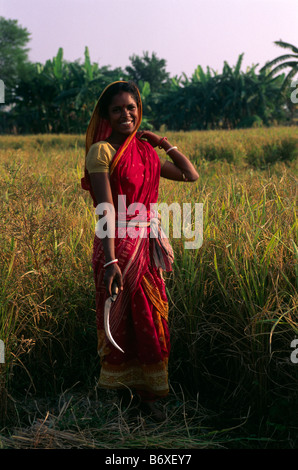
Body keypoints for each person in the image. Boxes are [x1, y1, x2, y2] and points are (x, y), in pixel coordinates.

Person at [81, 81, 199, 422]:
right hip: (116, 246)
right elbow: (105, 208)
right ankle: (124, 396)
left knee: (150, 315)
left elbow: (191, 175)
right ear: (106, 115)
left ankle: (149, 396)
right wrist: (112, 260)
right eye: (117, 109)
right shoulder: (101, 152)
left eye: (131, 107)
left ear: (139, 109)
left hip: (146, 244)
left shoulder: (146, 152)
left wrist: (163, 143)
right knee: (120, 318)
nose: (126, 114)